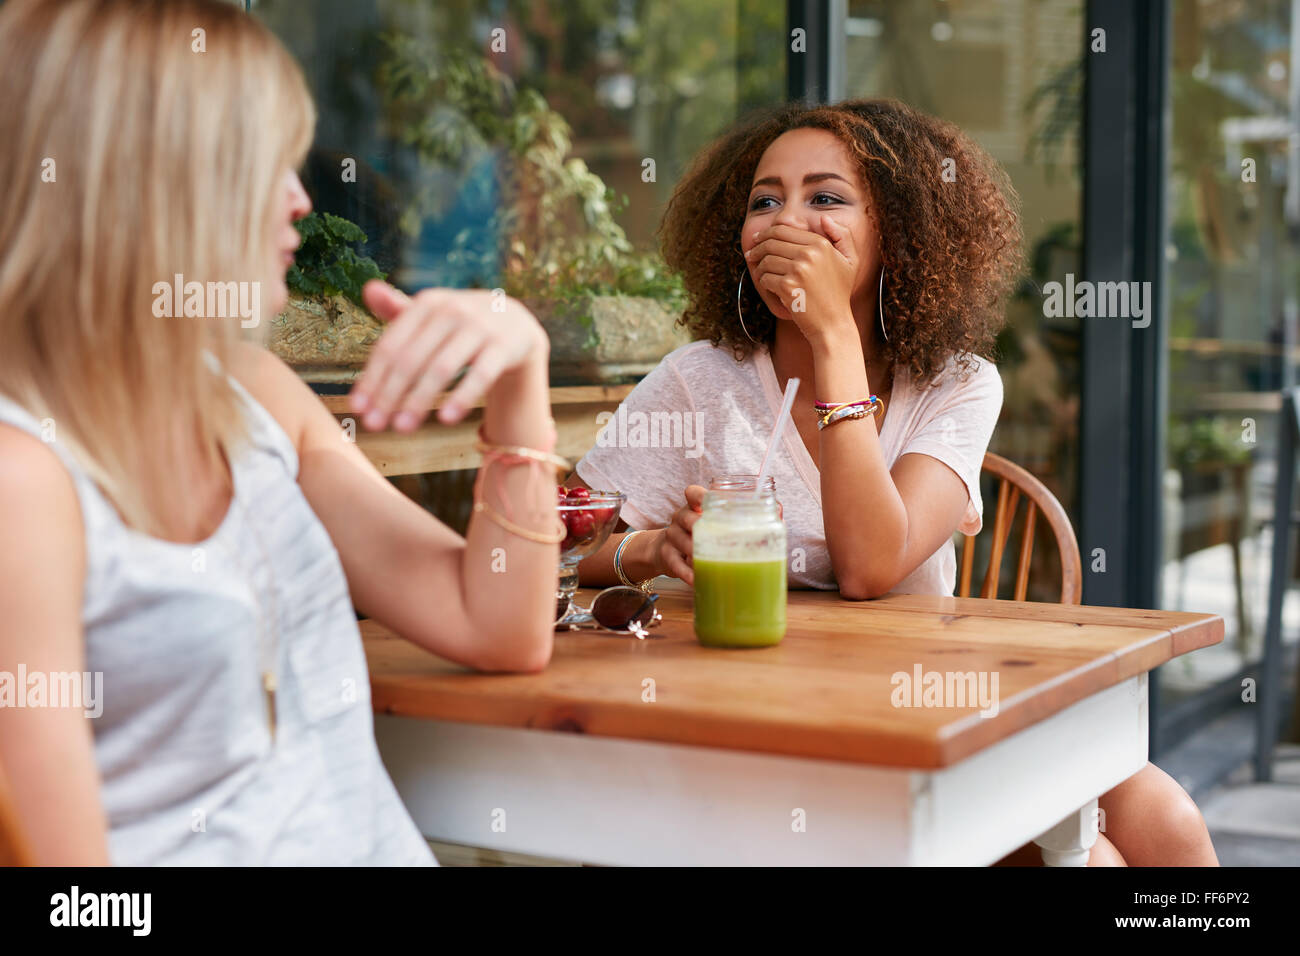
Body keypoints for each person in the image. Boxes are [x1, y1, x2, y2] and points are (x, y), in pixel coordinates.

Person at [569, 99, 1218, 866]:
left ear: (898, 235)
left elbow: (874, 560)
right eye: (765, 200)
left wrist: (832, 336)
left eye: (827, 198)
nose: (787, 220)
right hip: (750, 728)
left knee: (1166, 825)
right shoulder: (697, 382)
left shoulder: (957, 385)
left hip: (923, 703)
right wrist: (648, 549)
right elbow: (564, 547)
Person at [0, 0, 561, 866]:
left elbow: (498, 626)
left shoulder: (251, 391)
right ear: (148, 181)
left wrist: (520, 377)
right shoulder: (24, 480)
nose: (301, 200)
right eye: (264, 166)